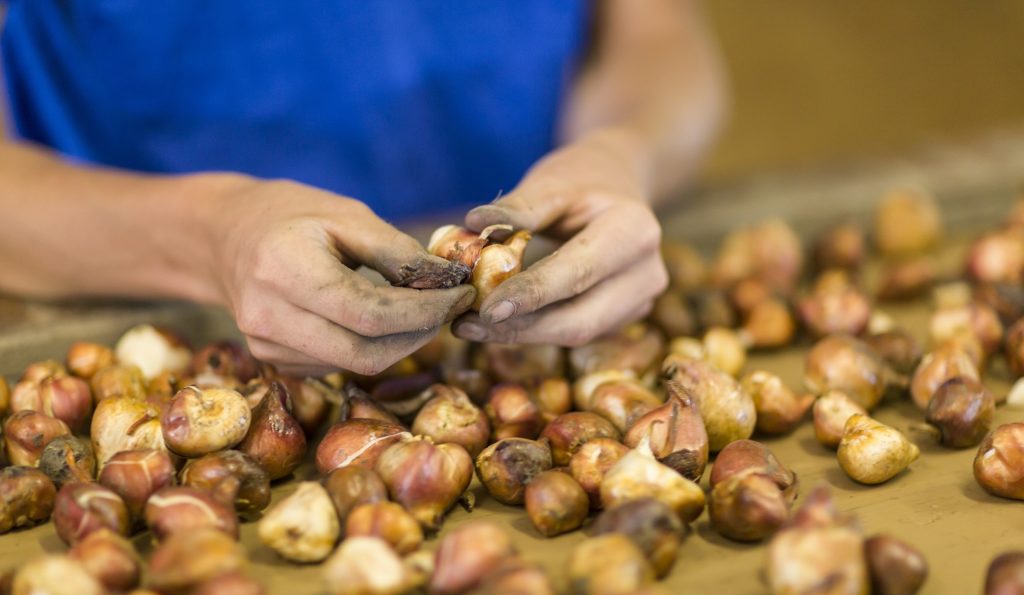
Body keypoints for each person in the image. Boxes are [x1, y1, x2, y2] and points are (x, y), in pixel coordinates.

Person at [0, 0, 725, 375]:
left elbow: (657, 35)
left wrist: (627, 153)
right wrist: (207, 235)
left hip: (531, 325)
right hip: (164, 322)